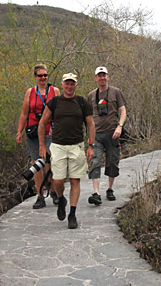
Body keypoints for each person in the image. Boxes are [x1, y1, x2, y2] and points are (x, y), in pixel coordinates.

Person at [38, 73, 94, 230]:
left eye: (72, 84)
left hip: (76, 146)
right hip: (58, 146)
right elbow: (42, 123)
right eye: (67, 84)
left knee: (75, 180)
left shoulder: (82, 102)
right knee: (57, 180)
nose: (70, 87)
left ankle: (72, 214)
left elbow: (90, 124)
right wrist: (42, 146)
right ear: (62, 85)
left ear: (76, 85)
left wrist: (91, 145)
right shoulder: (54, 102)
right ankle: (61, 199)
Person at [16, 64, 60, 208]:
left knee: (49, 161)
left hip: (50, 130)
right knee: (36, 163)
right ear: (35, 77)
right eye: (40, 75)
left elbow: (61, 111)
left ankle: (53, 191)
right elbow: (24, 113)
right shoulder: (30, 92)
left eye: (45, 75)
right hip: (33, 131)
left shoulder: (55, 91)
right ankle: (40, 196)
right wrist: (19, 132)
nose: (43, 78)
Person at [87, 66, 127, 205]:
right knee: (95, 162)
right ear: (96, 78)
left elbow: (123, 111)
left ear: (108, 77)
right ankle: (96, 193)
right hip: (97, 134)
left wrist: (120, 126)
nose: (102, 78)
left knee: (112, 161)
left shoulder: (116, 92)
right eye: (99, 75)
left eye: (104, 75)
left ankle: (110, 189)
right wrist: (89, 135)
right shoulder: (92, 95)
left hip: (113, 133)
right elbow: (89, 117)